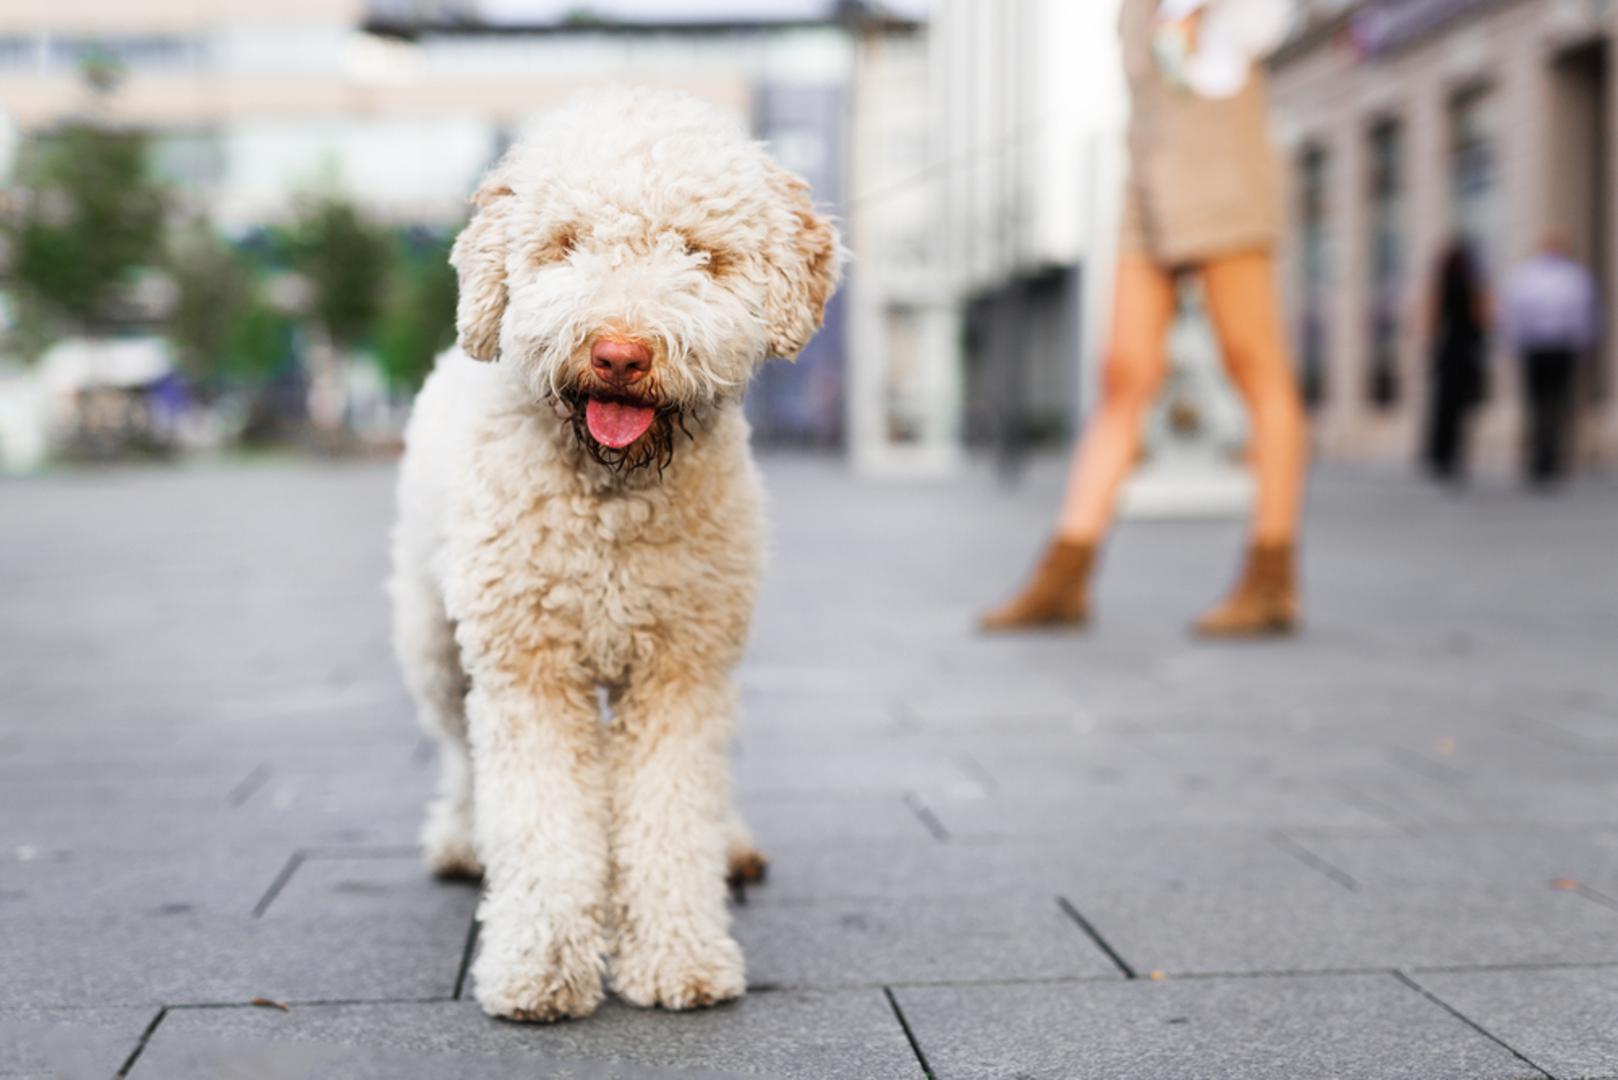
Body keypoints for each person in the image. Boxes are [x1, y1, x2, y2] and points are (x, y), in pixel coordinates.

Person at [982, 0, 1308, 638]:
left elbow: (1265, 27)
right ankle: (1065, 574)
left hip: (1221, 184)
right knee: (1123, 376)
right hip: (1148, 189)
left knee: (1256, 366)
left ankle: (1272, 576)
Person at [1502, 233, 1599, 486]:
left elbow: (1584, 312)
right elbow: (1514, 312)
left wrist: (1582, 342)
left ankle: (1551, 456)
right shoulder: (1535, 275)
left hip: (1556, 346)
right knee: (1543, 403)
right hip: (1539, 346)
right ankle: (1541, 457)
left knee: (1553, 402)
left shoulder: (1571, 275)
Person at [1422, 240, 1490, 483]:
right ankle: (1453, 456)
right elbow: (1483, 318)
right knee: (1459, 409)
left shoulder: (1443, 284)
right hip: (1465, 352)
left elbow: (1432, 318)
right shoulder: (1472, 286)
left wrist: (1429, 347)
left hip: (1448, 350)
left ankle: (1442, 456)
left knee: (1444, 407)